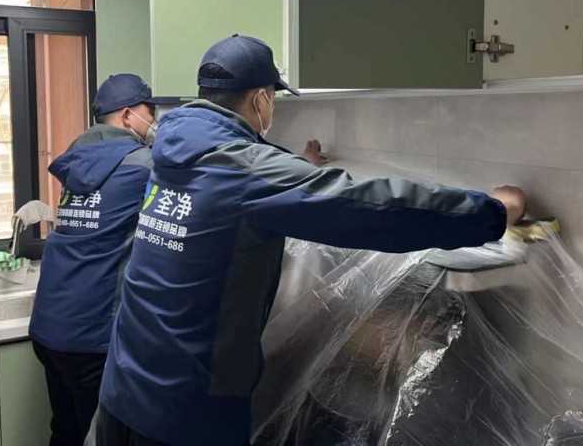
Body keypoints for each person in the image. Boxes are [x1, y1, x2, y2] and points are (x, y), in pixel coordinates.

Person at [88, 35, 527, 446]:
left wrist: (300, 169)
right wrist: (492, 212)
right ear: (261, 99)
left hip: (123, 387)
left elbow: (248, 187)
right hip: (184, 410)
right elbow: (372, 208)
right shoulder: (243, 169)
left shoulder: (173, 153)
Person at [29, 73, 177, 446]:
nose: (154, 120)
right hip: (91, 336)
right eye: (150, 112)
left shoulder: (77, 159)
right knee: (103, 437)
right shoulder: (143, 165)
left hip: (49, 328)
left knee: (65, 431)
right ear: (127, 115)